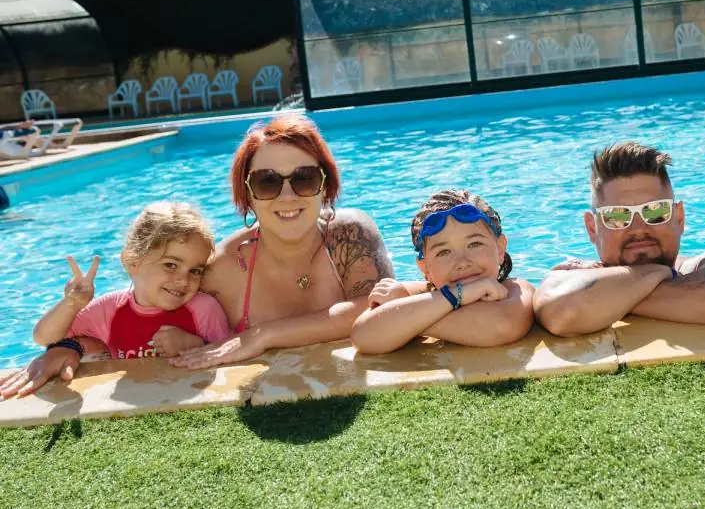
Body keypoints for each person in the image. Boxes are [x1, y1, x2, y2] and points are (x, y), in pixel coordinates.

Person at [169, 114, 393, 369]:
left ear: (325, 186)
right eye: (267, 182)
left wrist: (263, 335)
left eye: (304, 178)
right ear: (248, 195)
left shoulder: (351, 235)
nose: (287, 196)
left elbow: (379, 308)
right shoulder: (220, 270)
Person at [533, 142, 705, 337]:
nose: (638, 228)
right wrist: (661, 274)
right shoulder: (570, 275)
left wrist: (607, 299)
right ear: (592, 229)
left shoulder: (702, 263)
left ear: (679, 218)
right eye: (617, 215)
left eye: (655, 211)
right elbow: (561, 311)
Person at [1, 202, 230, 399]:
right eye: (170, 265)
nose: (183, 280)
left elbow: (231, 358)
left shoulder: (203, 308)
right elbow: (44, 337)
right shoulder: (110, 309)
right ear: (132, 262)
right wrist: (72, 304)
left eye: (195, 271)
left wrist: (195, 346)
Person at [351, 190, 534, 354]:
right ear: (425, 268)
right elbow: (364, 336)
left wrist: (407, 317)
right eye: (443, 252)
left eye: (475, 244)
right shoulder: (420, 292)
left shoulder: (516, 289)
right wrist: (458, 295)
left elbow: (502, 326)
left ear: (500, 249)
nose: (462, 262)